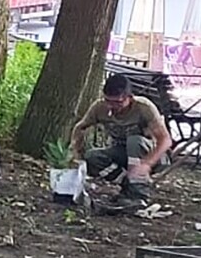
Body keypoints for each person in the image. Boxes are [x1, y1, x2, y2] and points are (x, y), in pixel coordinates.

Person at [70, 74, 171, 205]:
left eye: (118, 102)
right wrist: (76, 152)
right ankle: (128, 185)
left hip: (152, 155)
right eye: (108, 101)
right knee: (93, 157)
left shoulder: (143, 107)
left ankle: (138, 195)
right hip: (123, 153)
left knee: (134, 141)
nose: (112, 106)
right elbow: (80, 127)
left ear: (130, 98)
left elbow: (165, 140)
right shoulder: (99, 108)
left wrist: (147, 163)